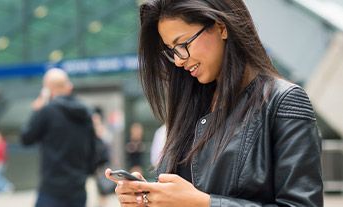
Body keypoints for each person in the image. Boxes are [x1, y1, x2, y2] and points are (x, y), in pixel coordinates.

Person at [105, 0, 323, 206]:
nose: (179, 60)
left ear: (221, 27)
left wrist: (203, 203)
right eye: (172, 50)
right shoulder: (191, 106)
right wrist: (149, 197)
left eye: (183, 44)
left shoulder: (283, 102)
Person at [21, 68, 97, 207]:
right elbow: (93, 149)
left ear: (47, 89)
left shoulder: (47, 111)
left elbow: (26, 138)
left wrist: (36, 110)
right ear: (68, 86)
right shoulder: (85, 113)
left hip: (52, 190)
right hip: (78, 189)